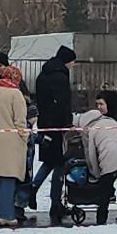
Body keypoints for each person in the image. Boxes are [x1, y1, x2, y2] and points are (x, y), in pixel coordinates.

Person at [72, 91, 117, 226]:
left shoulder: (90, 129)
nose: (98, 106)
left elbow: (90, 154)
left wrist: (96, 173)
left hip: (111, 158)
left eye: (101, 104)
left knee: (105, 189)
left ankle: (101, 219)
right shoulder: (110, 121)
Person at [32, 46, 76, 219]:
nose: (73, 65)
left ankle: (33, 188)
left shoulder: (43, 75)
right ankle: (55, 202)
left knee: (50, 161)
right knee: (59, 163)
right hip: (58, 127)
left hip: (45, 124)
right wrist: (67, 122)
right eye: (72, 62)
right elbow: (62, 104)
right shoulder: (60, 77)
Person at [0, 62, 30, 228]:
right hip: (9, 139)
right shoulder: (15, 94)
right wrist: (25, 137)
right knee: (9, 176)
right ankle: (6, 214)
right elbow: (20, 121)